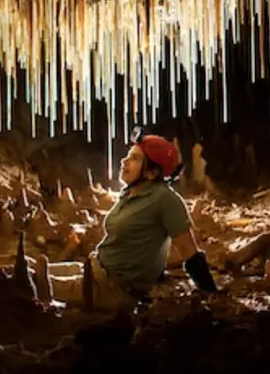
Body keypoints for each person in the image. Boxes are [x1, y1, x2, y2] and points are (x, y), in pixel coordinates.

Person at [87, 131, 218, 313]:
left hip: (110, 287)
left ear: (151, 173)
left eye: (134, 158)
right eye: (127, 155)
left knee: (37, 282)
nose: (124, 161)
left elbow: (189, 251)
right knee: (34, 268)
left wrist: (211, 294)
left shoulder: (164, 199)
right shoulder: (130, 194)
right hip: (96, 270)